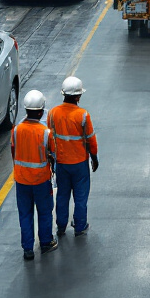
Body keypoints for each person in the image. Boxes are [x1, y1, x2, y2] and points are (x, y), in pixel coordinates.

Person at [46, 76, 99, 238]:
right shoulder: (83, 115)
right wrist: (94, 158)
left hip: (61, 163)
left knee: (62, 195)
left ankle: (61, 226)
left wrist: (52, 159)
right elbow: (91, 140)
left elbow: (49, 138)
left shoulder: (53, 113)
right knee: (80, 197)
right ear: (77, 96)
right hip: (79, 164)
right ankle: (80, 226)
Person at [11, 90, 57, 260]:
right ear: (41, 111)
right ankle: (45, 243)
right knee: (44, 212)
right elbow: (53, 154)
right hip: (41, 180)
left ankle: (28, 249)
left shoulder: (16, 130)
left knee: (25, 214)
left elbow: (13, 151)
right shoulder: (45, 132)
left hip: (21, 180)